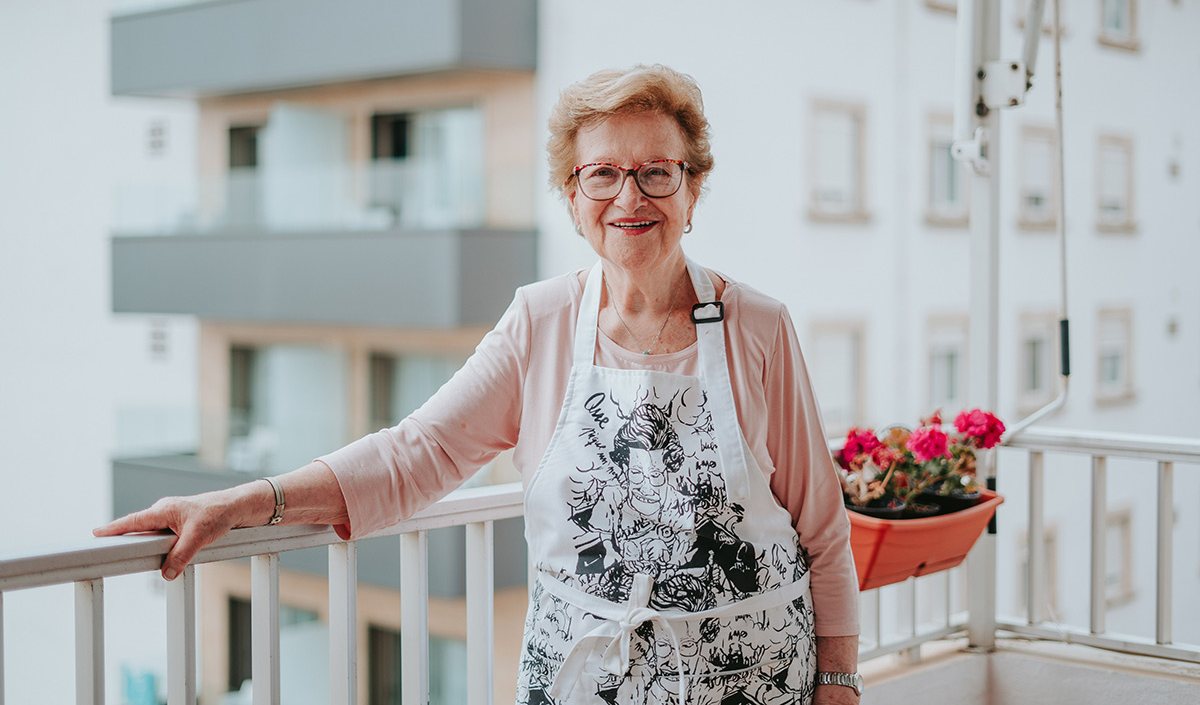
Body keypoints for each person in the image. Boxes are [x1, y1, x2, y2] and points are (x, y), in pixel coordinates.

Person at [97, 65, 862, 704]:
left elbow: (822, 526)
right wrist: (240, 503)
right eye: (603, 174)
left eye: (657, 172)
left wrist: (840, 678)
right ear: (573, 197)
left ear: (692, 192)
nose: (630, 198)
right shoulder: (540, 321)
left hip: (753, 682)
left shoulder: (756, 325)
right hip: (582, 682)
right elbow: (415, 455)